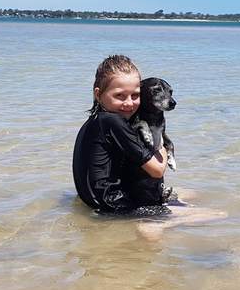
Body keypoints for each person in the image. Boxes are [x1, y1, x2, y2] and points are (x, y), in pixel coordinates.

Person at [72, 55, 226, 239]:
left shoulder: (95, 120)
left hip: (92, 199)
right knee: (219, 214)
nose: (129, 103)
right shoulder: (114, 122)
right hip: (115, 206)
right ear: (98, 94)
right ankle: (152, 223)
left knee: (192, 193)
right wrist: (160, 141)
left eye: (135, 95)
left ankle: (160, 209)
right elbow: (157, 170)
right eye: (119, 96)